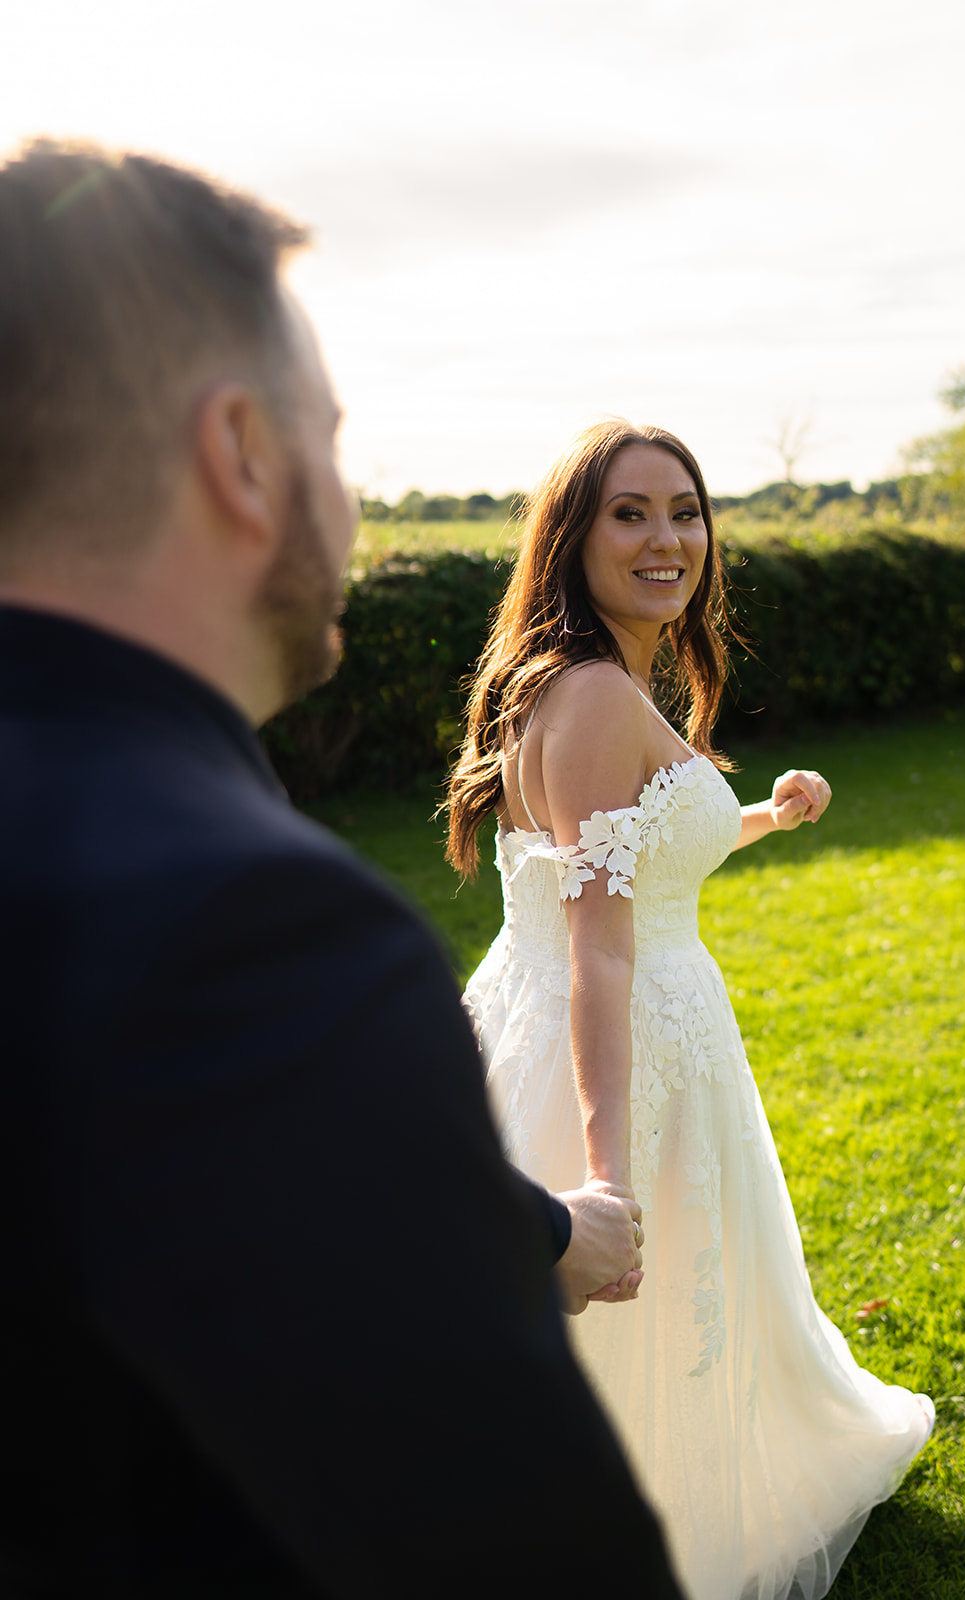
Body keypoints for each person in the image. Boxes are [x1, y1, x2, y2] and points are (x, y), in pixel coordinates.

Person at [0, 142, 684, 1598]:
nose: (353, 497)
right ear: (242, 454)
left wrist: (528, 1223)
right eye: (331, 433)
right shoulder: (245, 926)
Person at [447, 421, 936, 1600]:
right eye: (629, 512)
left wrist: (763, 813)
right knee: (637, 1305)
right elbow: (601, 951)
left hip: (540, 1016)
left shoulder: (559, 680)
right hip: (622, 1043)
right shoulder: (599, 695)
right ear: (572, 536)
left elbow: (627, 848)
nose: (666, 537)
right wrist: (600, 1190)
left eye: (683, 509)